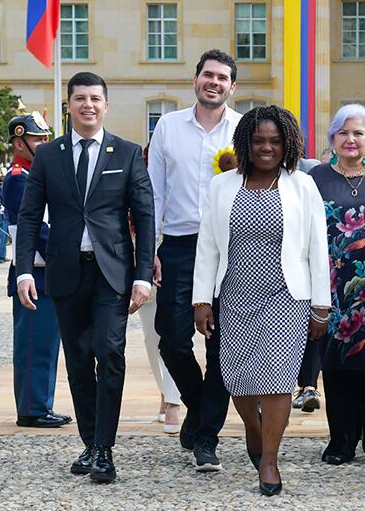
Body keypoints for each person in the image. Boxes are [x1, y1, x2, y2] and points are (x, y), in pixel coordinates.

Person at [15, 71, 155, 483]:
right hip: (65, 272)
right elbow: (27, 217)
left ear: (106, 106)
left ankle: (105, 449)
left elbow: (145, 217)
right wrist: (24, 269)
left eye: (95, 98)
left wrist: (143, 274)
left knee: (109, 353)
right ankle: (90, 443)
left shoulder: (127, 154)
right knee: (77, 359)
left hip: (112, 273)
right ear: (70, 105)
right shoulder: (49, 156)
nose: (88, 105)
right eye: (80, 98)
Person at [192, 105, 330, 496]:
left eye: (274, 141)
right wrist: (201, 299)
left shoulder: (301, 185)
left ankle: (269, 459)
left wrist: (321, 305)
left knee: (277, 380)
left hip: (286, 297)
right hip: (234, 294)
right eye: (258, 140)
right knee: (237, 380)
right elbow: (208, 247)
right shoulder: (223, 186)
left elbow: (318, 249)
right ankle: (254, 428)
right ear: (245, 143)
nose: (266, 148)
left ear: (287, 144)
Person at [148, 49, 240, 471]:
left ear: (232, 87)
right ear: (195, 79)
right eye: (208, 75)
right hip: (181, 244)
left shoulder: (243, 130)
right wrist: (150, 249)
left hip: (230, 248)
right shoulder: (168, 127)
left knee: (223, 345)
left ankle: (206, 436)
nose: (214, 82)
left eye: (222, 77)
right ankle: (199, 402)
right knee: (171, 336)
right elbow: (154, 193)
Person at [309, 104, 365, 465]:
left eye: (358, 133)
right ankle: (341, 438)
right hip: (331, 282)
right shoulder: (317, 178)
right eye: (343, 133)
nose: (351, 139)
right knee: (336, 362)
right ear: (333, 139)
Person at [4, 112, 71, 429]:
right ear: (19, 143)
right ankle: (31, 408)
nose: (43, 143)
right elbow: (32, 230)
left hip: (48, 268)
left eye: (45, 138)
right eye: (35, 139)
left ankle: (40, 404)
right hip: (35, 270)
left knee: (46, 342)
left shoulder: (37, 173)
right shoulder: (19, 178)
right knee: (34, 342)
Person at [137, 143, 182, 433]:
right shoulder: (138, 182)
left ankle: (175, 401)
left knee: (174, 335)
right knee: (151, 338)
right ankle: (166, 394)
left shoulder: (183, 182)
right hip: (144, 261)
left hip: (177, 259)